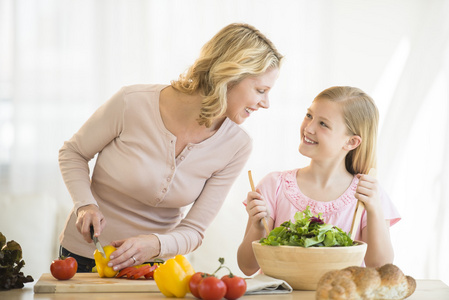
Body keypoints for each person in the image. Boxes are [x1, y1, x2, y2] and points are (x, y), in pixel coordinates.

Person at [58, 23, 283, 272]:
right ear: (230, 76)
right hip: (85, 255)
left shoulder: (237, 145)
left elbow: (194, 230)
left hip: (156, 268)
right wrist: (85, 204)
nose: (266, 103)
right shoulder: (132, 102)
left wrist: (155, 245)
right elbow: (73, 153)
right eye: (261, 90)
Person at [237, 86, 400, 276]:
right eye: (309, 115)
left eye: (323, 124)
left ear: (351, 142)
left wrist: (374, 209)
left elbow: (380, 267)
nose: (309, 127)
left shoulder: (367, 194)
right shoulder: (273, 186)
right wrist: (257, 228)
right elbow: (247, 267)